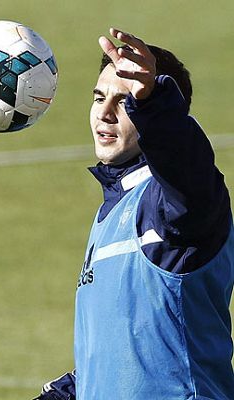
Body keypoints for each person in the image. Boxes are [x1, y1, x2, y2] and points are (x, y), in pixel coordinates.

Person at [36, 28, 234, 399]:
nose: (105, 114)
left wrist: (153, 102)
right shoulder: (111, 214)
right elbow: (129, 358)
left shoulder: (176, 205)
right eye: (99, 97)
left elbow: (186, 167)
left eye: (125, 103)